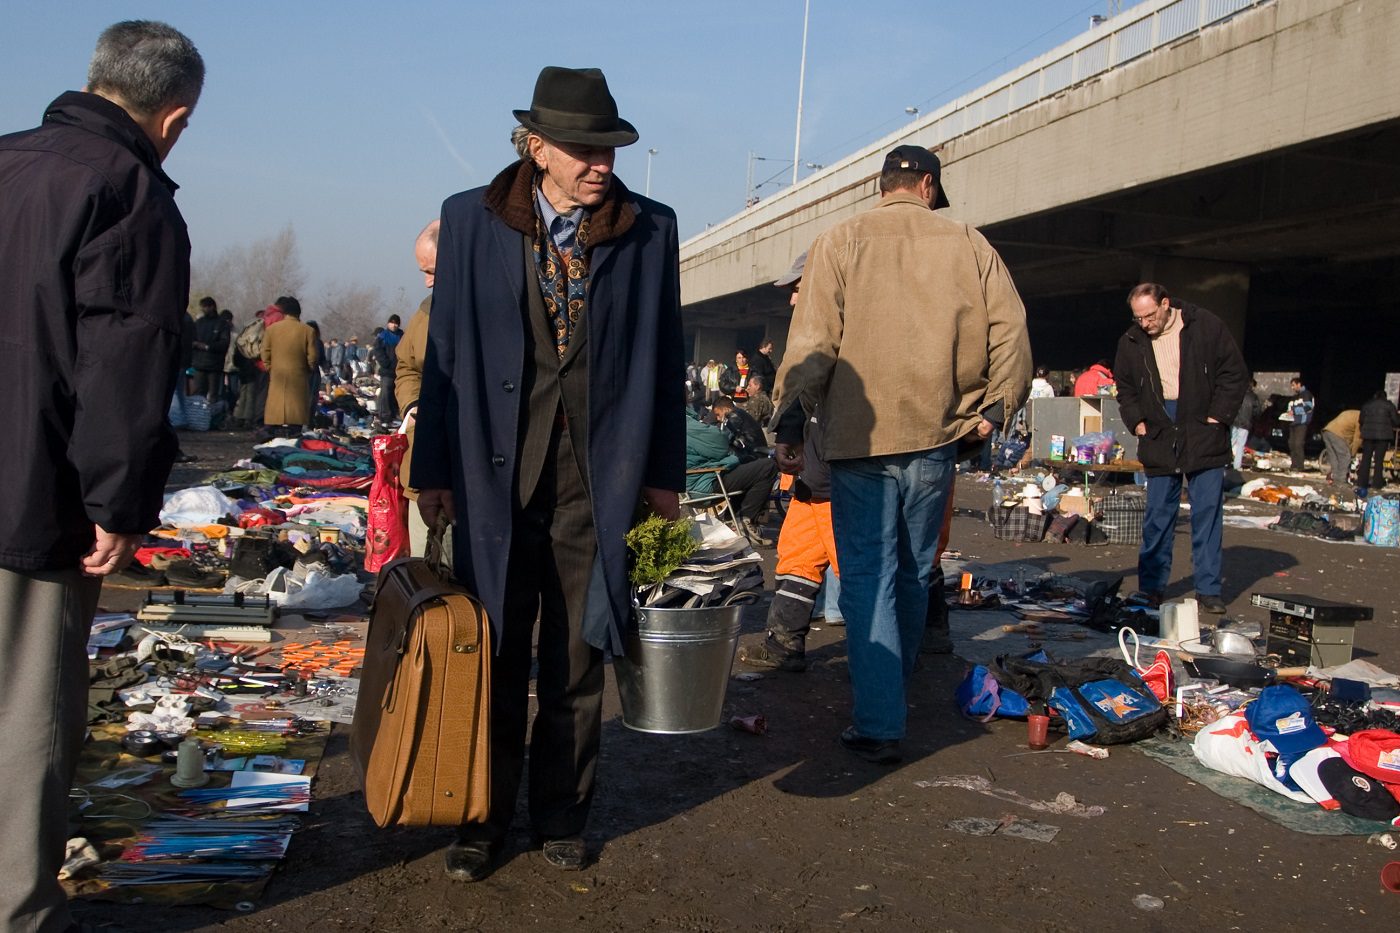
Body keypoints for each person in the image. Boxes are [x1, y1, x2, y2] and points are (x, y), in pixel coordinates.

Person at [412, 66, 684, 881]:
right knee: (489, 649)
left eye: (608, 146)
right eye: (582, 148)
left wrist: (662, 477)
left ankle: (562, 814)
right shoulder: (469, 219)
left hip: (595, 476)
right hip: (492, 471)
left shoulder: (649, 228)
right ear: (536, 147)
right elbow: (445, 354)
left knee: (578, 652)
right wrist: (433, 467)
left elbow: (663, 358)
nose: (600, 162)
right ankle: (478, 820)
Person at [0, 20, 202, 931]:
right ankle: (19, 909)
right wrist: (116, 502)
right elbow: (124, 360)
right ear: (175, 116)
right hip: (31, 497)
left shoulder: (7, 160)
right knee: (28, 714)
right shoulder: (129, 192)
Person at [773, 144, 1032, 764]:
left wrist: (787, 417)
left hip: (860, 440)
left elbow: (812, 341)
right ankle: (898, 685)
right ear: (929, 188)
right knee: (917, 567)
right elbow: (1012, 331)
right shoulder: (970, 244)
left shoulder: (840, 240)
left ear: (883, 185)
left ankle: (880, 718)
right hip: (939, 435)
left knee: (866, 576)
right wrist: (994, 412)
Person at [1115, 283, 1247, 616]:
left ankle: (1208, 589)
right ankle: (1151, 588)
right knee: (1158, 515)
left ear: (1165, 304)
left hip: (1203, 427)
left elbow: (1234, 373)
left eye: (1149, 315)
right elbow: (1125, 388)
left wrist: (1218, 416)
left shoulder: (1206, 325)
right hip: (1158, 429)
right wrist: (1137, 421)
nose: (1145, 324)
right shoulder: (1130, 341)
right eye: (1138, 318)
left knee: (1206, 513)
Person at [739, 255, 838, 672]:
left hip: (839, 480)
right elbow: (800, 397)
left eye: (799, 287)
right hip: (812, 478)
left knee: (858, 570)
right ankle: (783, 644)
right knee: (796, 559)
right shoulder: (811, 336)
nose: (794, 298)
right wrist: (789, 441)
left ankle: (886, 667)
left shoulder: (841, 333)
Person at [395, 219, 439, 555]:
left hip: (477, 477)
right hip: (424, 468)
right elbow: (406, 366)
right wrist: (412, 405)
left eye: (433, 272)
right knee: (424, 570)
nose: (426, 283)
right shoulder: (424, 313)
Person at [708, 395, 778, 543]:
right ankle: (735, 520)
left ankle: (741, 520)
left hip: (753, 456)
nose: (719, 419)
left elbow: (724, 439)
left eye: (718, 414)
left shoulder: (733, 415)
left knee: (738, 474)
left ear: (725, 409)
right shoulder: (741, 414)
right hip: (755, 454)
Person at [260, 295, 317, 435]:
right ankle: (294, 430)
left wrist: (269, 367)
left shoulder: (272, 329)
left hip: (277, 373)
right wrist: (308, 368)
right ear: (299, 312)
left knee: (275, 404)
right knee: (296, 408)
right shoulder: (308, 331)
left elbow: (264, 351)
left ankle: (271, 428)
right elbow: (313, 356)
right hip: (299, 374)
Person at [1357, 390, 1400, 496]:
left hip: (1368, 435)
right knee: (1379, 461)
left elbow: (1361, 420)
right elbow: (1396, 421)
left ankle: (1362, 483)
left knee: (1366, 460)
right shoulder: (1389, 405)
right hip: (1383, 436)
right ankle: (1376, 484)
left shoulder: (1367, 405)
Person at [190, 295, 229, 401]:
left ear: (212, 307)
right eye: (203, 307)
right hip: (199, 364)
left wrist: (207, 346)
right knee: (198, 394)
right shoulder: (199, 323)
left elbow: (224, 343)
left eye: (206, 307)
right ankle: (197, 415)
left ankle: (212, 415)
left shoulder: (222, 324)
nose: (204, 309)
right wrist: (194, 344)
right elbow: (190, 338)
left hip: (214, 366)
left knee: (213, 395)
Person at [373, 314, 403, 425]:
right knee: (385, 392)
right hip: (387, 370)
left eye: (396, 323)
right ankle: (384, 415)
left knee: (396, 393)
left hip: (399, 370)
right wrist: (386, 363)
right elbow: (378, 351)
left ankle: (395, 413)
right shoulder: (383, 336)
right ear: (388, 323)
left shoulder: (402, 336)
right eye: (392, 323)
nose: (394, 325)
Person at [1318, 408, 1360, 487]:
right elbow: (1357, 439)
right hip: (1337, 434)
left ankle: (1336, 479)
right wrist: (1353, 453)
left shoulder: (1354, 413)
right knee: (1345, 456)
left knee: (1334, 457)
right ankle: (1341, 480)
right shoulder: (1361, 419)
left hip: (1327, 430)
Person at [1231, 377, 1263, 470]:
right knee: (1240, 445)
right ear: (1252, 386)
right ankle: (1236, 466)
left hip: (1235, 421)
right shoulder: (1253, 397)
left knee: (1231, 442)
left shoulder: (1237, 393)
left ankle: (1226, 463)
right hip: (1245, 423)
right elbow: (1257, 412)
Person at [1286, 376, 1314, 471]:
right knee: (1292, 444)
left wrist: (1294, 411)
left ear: (1299, 384)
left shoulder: (1306, 394)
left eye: (1293, 385)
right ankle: (1294, 465)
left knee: (1298, 444)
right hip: (1292, 423)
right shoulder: (1294, 397)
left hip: (1301, 423)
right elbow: (1290, 408)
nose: (1292, 388)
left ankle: (1300, 466)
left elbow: (1308, 407)